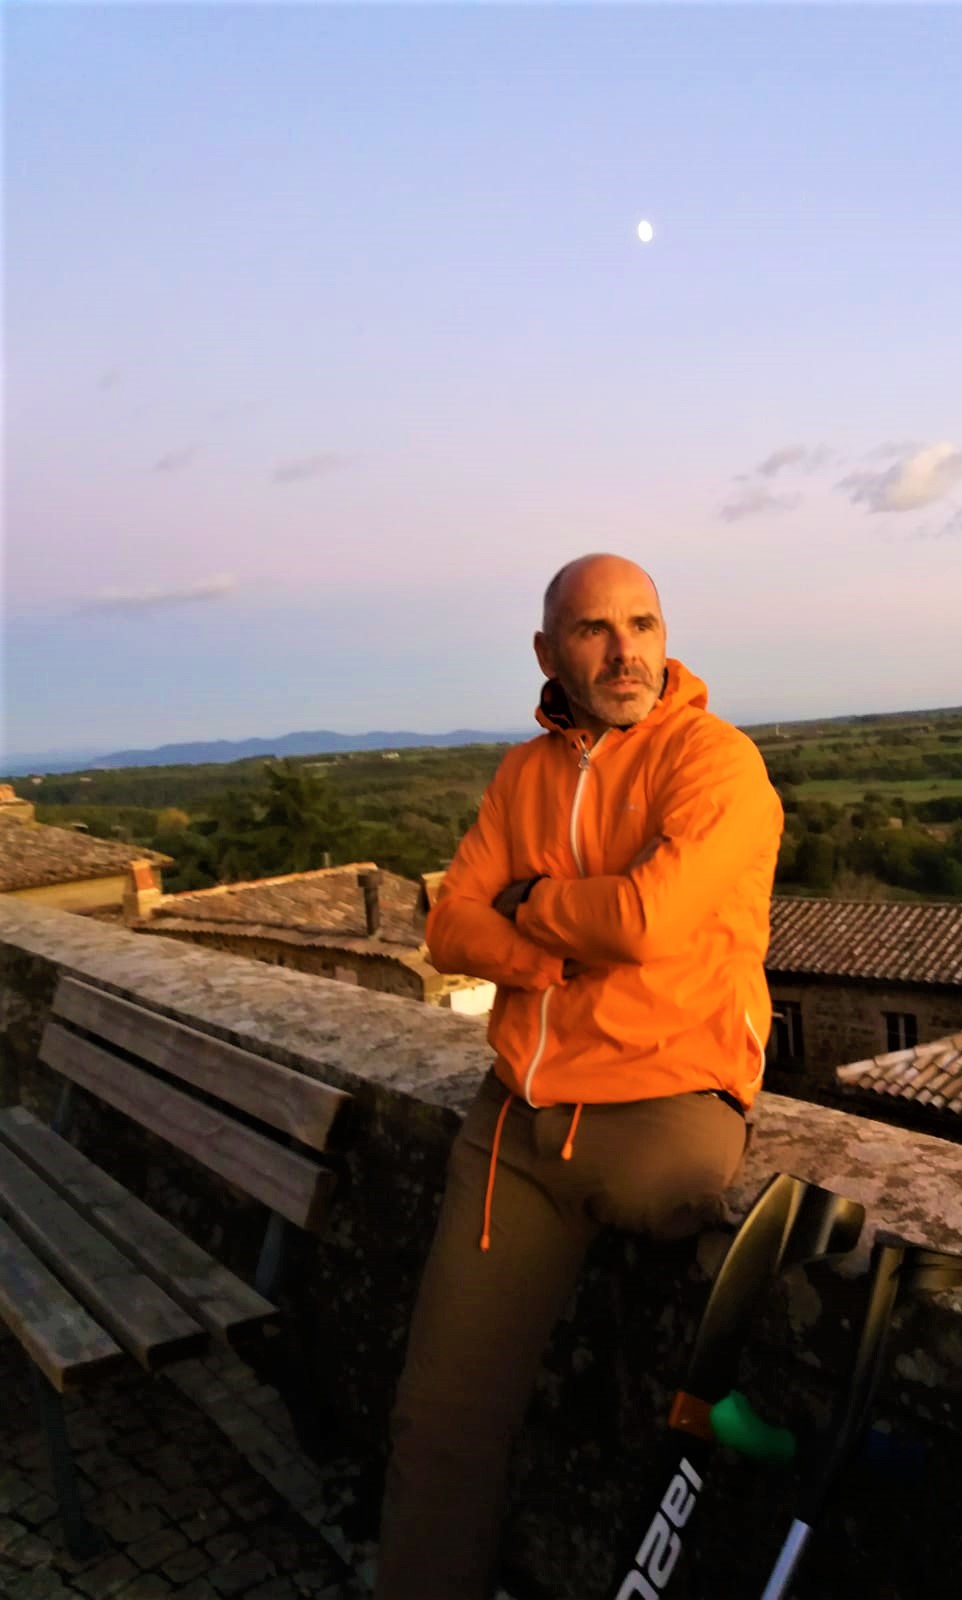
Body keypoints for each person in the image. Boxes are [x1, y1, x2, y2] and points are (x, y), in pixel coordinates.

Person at [374, 553, 782, 1599]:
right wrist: (548, 954)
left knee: (678, 1374)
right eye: (594, 629)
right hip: (517, 1125)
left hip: (665, 1104)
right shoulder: (523, 774)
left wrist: (528, 903)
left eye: (642, 624)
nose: (624, 651)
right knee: (439, 1418)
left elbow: (648, 921)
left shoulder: (715, 761)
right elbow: (447, 924)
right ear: (548, 651)